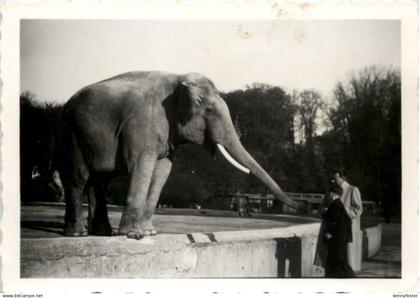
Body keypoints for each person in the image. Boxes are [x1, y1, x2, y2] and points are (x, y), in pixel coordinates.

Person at [332, 172, 363, 271]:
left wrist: (342, 210)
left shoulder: (352, 190)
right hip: (335, 230)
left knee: (348, 257)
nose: (333, 180)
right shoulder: (332, 190)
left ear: (343, 177)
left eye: (335, 178)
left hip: (348, 228)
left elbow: (358, 209)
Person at [324, 183, 355, 278]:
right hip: (341, 239)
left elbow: (339, 222)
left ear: (332, 194)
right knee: (336, 262)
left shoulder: (334, 205)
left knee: (339, 262)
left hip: (336, 240)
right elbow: (347, 221)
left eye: (329, 193)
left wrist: (331, 233)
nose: (328, 195)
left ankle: (353, 279)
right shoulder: (339, 204)